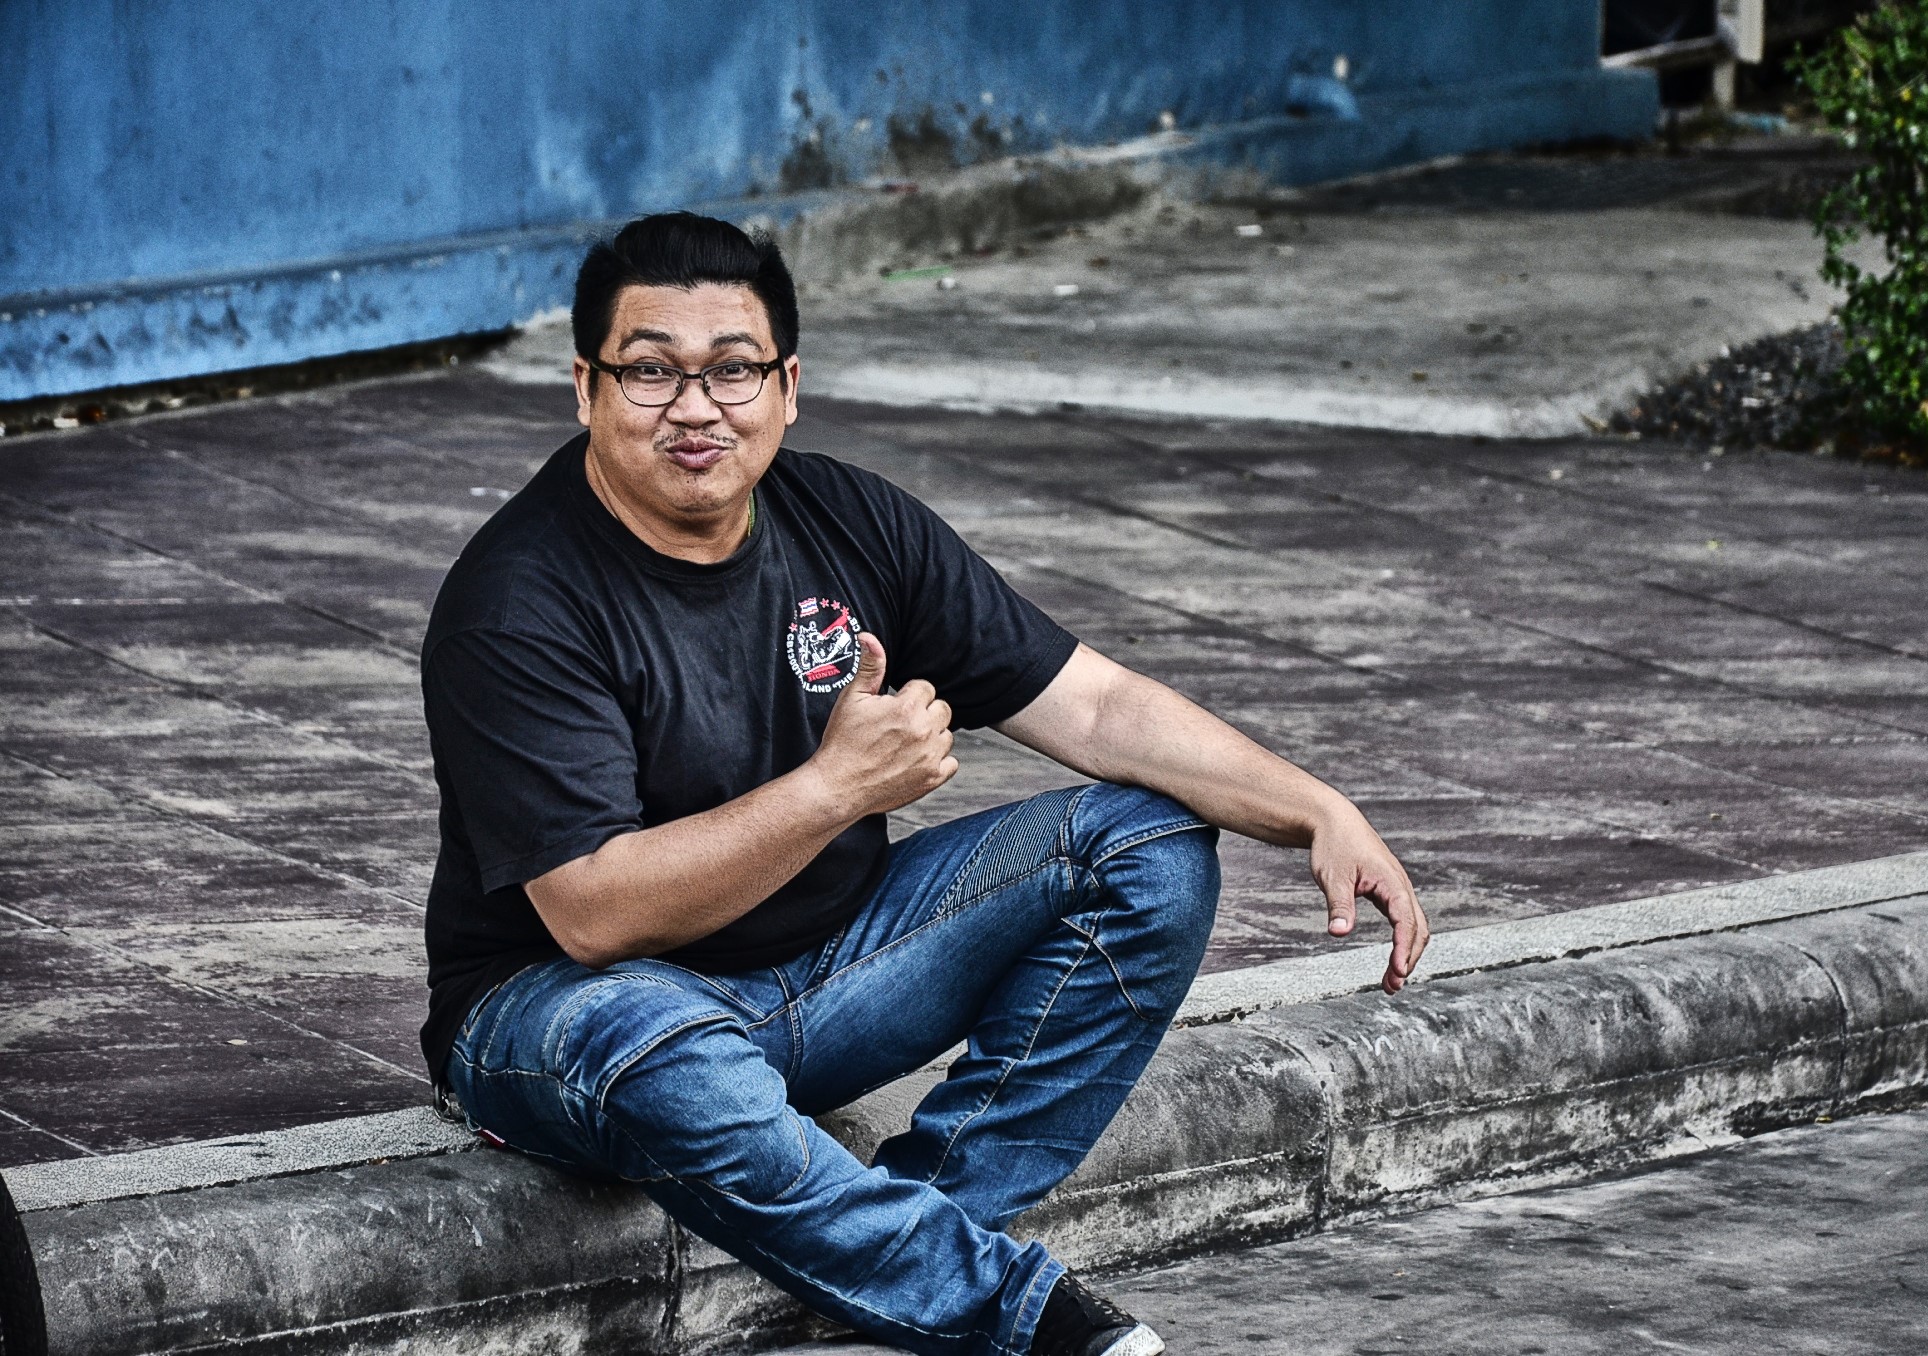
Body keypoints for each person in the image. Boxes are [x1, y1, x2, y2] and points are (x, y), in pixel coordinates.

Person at [420, 211, 1428, 1356]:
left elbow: (1095, 707)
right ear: (585, 390)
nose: (694, 408)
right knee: (659, 1048)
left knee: (1146, 845)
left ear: (786, 387)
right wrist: (835, 788)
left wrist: (1316, 809)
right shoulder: (518, 601)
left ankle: (897, 1248)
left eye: (731, 369)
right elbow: (593, 914)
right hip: (567, 1010)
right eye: (650, 372)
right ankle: (1019, 1319)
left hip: (831, 977)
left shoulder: (849, 518)